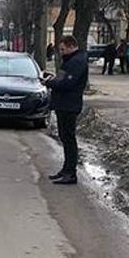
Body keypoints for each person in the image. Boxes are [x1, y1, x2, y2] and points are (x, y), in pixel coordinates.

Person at [42, 35, 88, 185]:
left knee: (69, 139)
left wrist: (50, 83)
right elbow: (63, 79)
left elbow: (68, 83)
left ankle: (70, 173)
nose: (61, 52)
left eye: (62, 49)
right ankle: (66, 170)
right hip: (64, 104)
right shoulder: (72, 60)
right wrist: (53, 79)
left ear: (70, 46)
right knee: (65, 138)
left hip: (69, 105)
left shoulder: (77, 62)